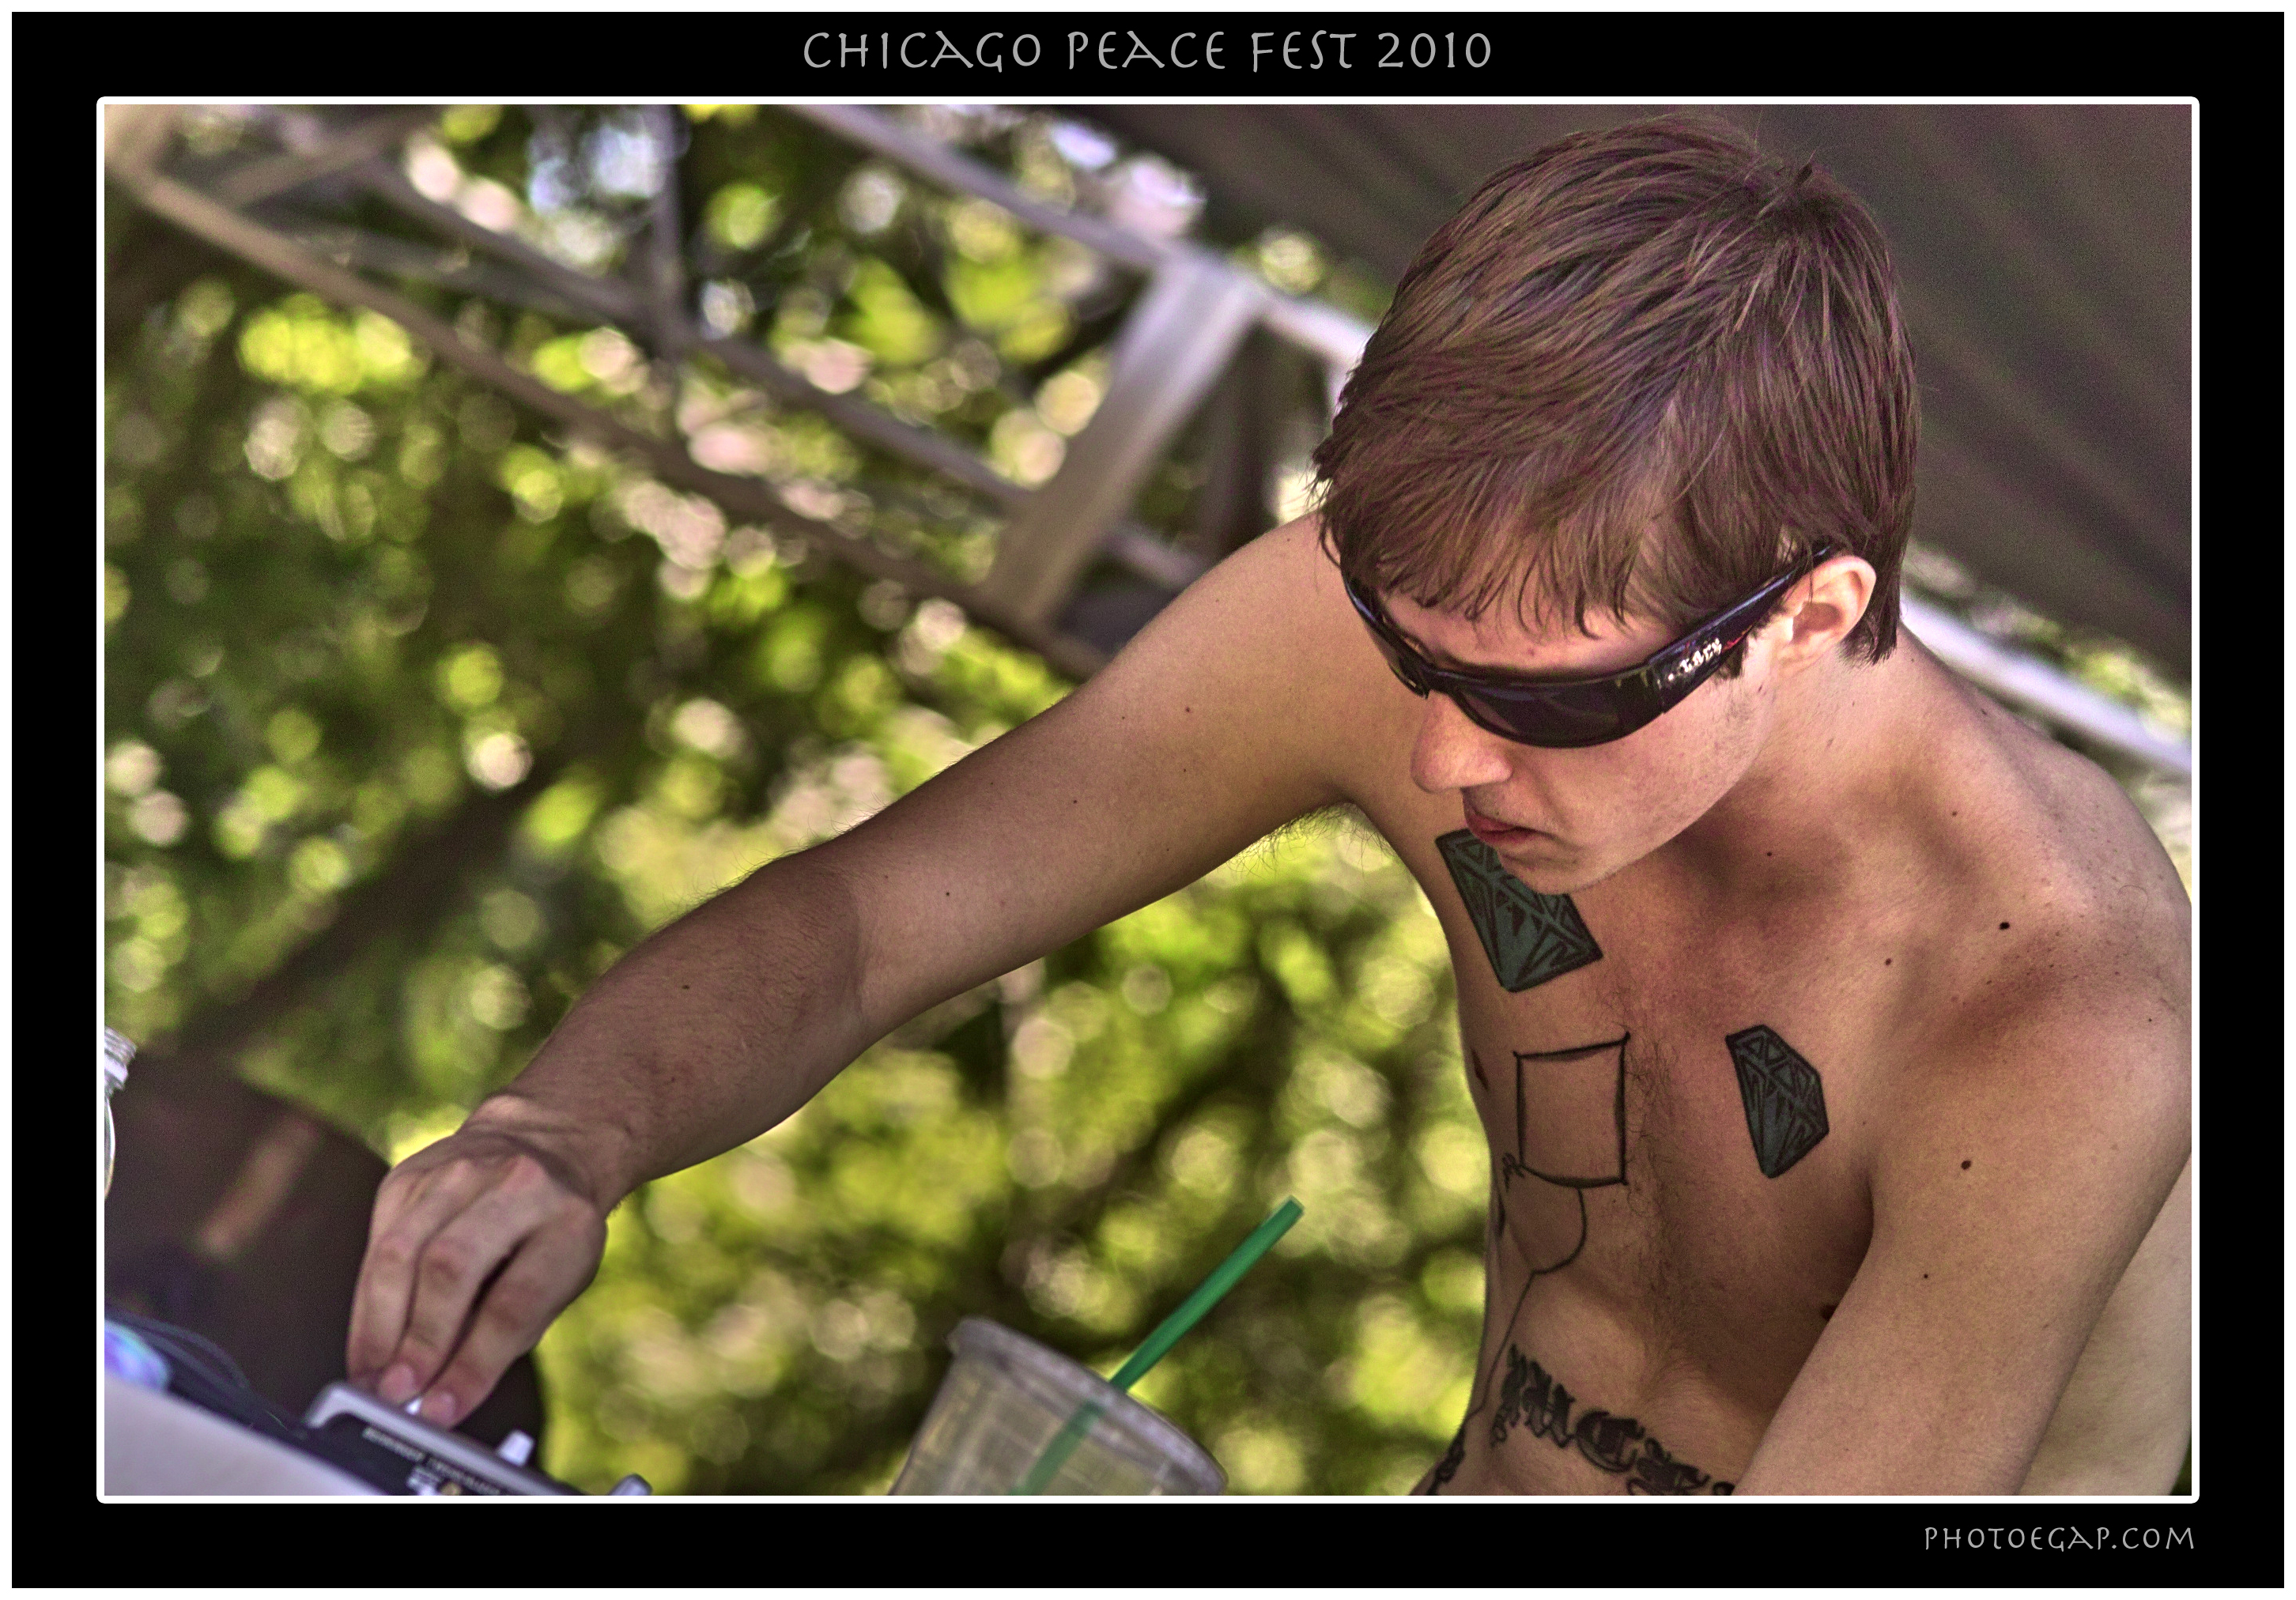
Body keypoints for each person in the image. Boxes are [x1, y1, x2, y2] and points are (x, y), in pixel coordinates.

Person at [345, 115, 2190, 1495]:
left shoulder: (2055, 1019)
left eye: (1544, 700)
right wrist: (563, 1133)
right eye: (1405, 650)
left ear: (1806, 614)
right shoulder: (1455, 615)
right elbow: (862, 923)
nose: (1446, 758)